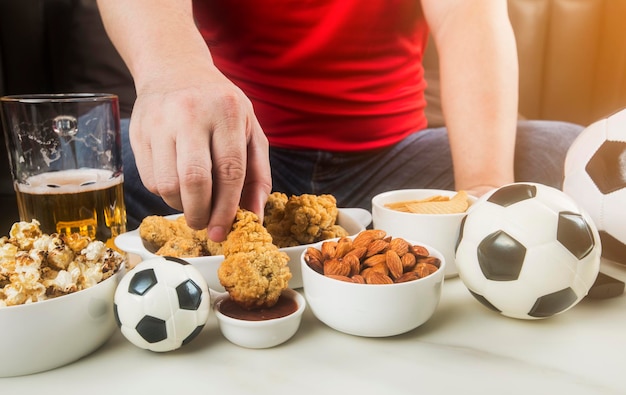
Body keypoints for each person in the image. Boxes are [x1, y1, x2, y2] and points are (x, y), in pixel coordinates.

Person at [97, 0, 583, 239]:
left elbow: (468, 16)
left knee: (567, 151)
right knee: (89, 161)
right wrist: (176, 71)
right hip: (239, 162)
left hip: (394, 164)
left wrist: (484, 188)